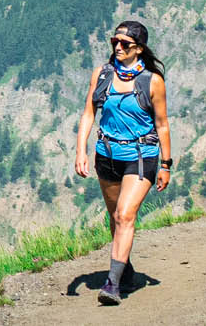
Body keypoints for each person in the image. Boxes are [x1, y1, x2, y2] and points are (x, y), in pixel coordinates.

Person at [72, 19, 172, 304]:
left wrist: (166, 164)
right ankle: (126, 271)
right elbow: (88, 114)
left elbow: (162, 124)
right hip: (107, 156)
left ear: (139, 49)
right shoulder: (102, 74)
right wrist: (81, 150)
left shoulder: (152, 81)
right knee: (115, 218)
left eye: (125, 44)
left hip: (142, 157)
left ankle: (112, 285)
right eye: (114, 42)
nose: (117, 47)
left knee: (125, 215)